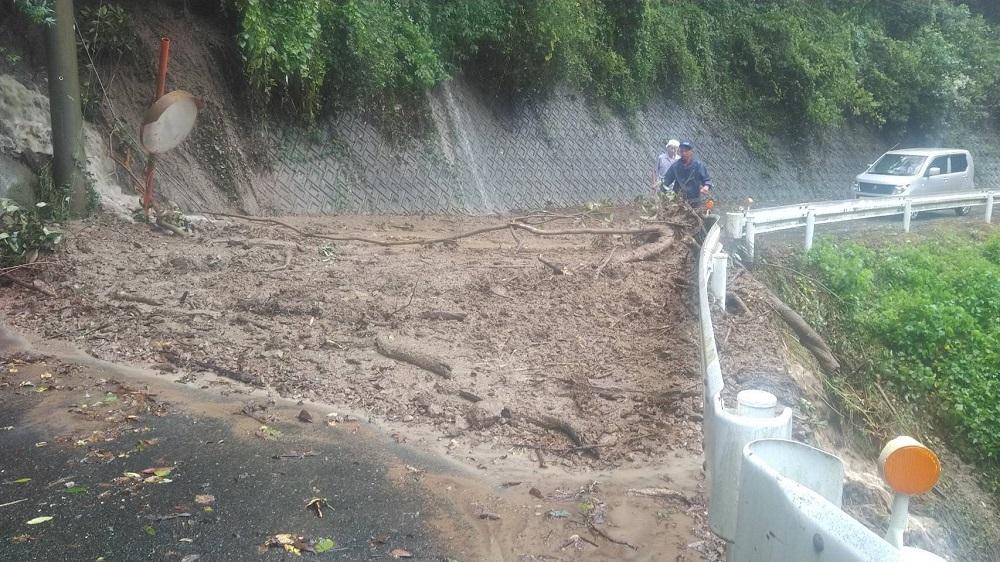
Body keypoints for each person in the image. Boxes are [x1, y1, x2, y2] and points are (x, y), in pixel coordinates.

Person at [660, 140, 712, 206]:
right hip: (678, 201)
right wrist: (664, 195)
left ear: (691, 152)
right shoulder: (675, 166)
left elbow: (707, 180)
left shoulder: (698, 165)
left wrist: (706, 187)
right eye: (682, 151)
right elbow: (666, 182)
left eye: (686, 151)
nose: (684, 153)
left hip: (695, 201)